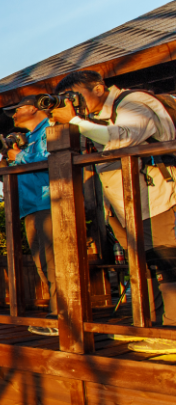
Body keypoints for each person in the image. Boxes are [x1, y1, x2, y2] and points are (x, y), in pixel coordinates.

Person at [52, 71, 176, 350]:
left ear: (99, 88)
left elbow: (122, 137)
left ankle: (172, 331)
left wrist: (74, 121)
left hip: (153, 196)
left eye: (75, 96)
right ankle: (149, 326)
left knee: (167, 261)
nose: (71, 103)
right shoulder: (92, 119)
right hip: (121, 203)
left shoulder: (133, 103)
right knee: (139, 265)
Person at [0, 96, 58, 336]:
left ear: (34, 107)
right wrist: (10, 158)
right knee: (42, 262)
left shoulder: (50, 129)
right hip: (30, 205)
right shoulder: (30, 139)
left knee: (55, 261)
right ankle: (57, 313)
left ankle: (61, 316)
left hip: (49, 201)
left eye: (16, 109)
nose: (13, 115)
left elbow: (51, 161)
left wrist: (18, 157)